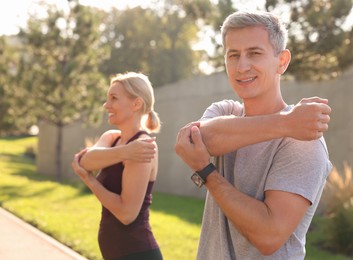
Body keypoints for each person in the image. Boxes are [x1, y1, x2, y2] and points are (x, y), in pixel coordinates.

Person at [175, 11, 333, 260]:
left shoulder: (304, 140)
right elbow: (195, 140)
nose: (242, 66)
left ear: (282, 61)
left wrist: (208, 174)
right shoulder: (227, 111)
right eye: (233, 55)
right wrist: (285, 122)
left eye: (254, 53)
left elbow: (268, 236)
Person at [71, 72, 163, 260]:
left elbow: (126, 213)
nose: (106, 105)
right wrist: (126, 152)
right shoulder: (113, 138)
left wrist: (90, 181)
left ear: (136, 104)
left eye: (113, 98)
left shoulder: (143, 147)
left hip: (137, 253)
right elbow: (85, 161)